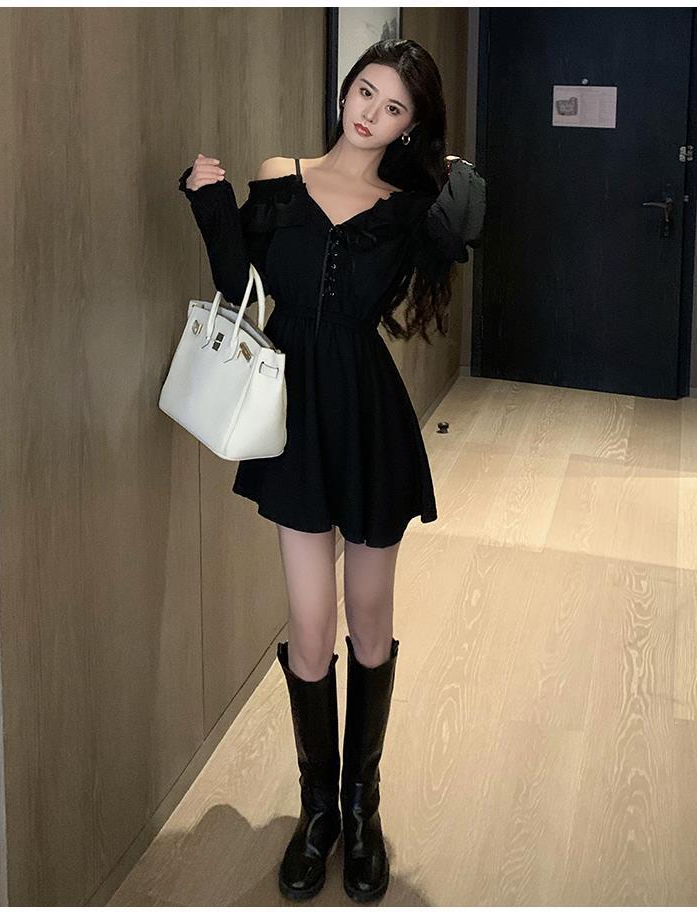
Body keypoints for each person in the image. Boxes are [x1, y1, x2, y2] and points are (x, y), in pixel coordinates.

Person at [177, 38, 485, 904]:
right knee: (310, 626)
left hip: (371, 421)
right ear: (346, 90)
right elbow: (244, 286)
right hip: (296, 424)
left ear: (410, 126)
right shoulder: (281, 176)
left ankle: (362, 807)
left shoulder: (408, 211)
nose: (370, 113)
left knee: (369, 620)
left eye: (394, 108)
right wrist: (209, 202)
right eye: (365, 92)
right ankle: (319, 812)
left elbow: (466, 229)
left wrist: (452, 178)